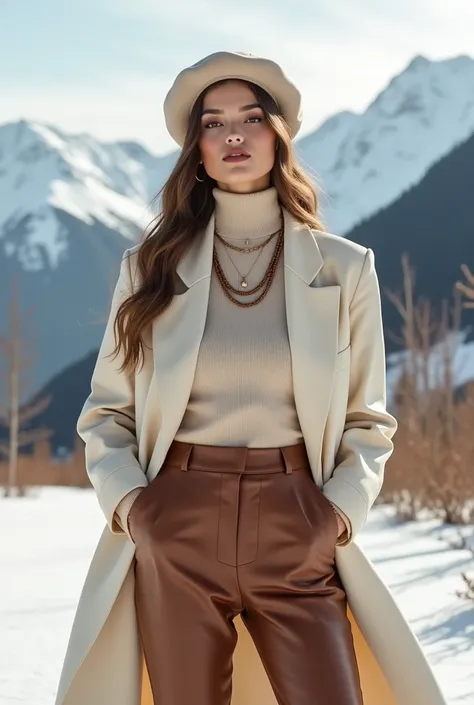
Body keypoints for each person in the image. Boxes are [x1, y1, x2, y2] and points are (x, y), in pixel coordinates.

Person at [54, 51, 448, 705]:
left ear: (278, 135)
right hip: (176, 518)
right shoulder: (148, 267)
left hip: (298, 520)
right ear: (198, 150)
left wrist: (336, 517)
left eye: (250, 118)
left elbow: (368, 419)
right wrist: (139, 510)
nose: (233, 135)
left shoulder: (346, 269)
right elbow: (108, 414)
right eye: (214, 123)